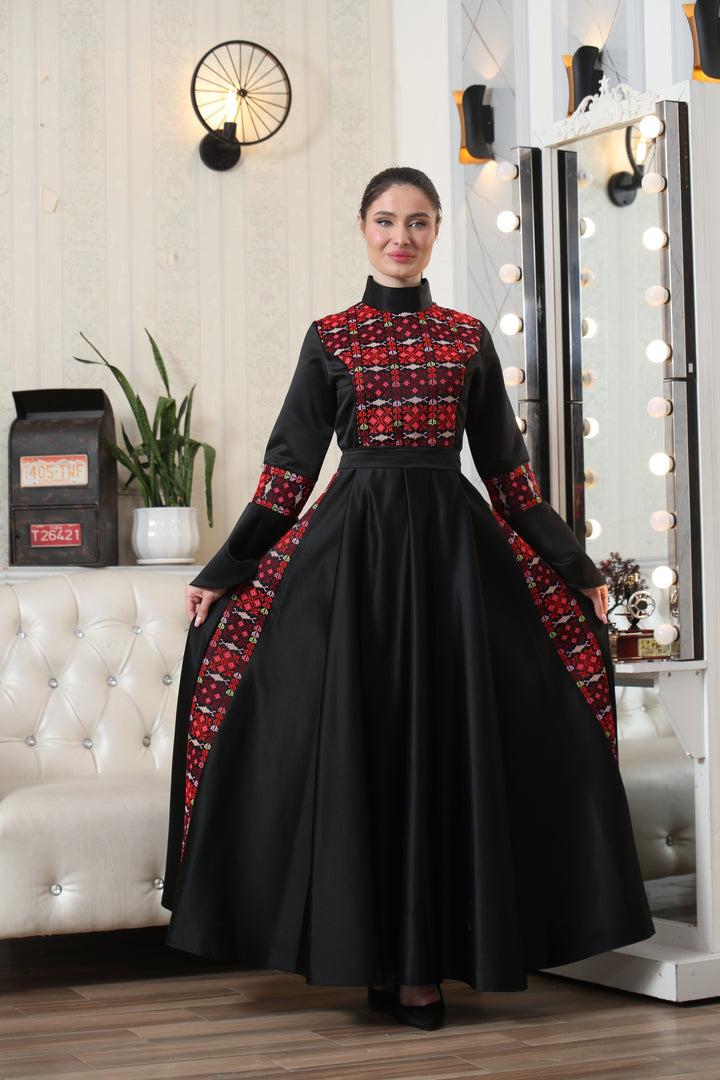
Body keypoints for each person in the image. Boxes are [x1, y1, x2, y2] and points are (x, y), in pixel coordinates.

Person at [162, 166, 653, 1031]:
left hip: (453, 566)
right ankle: (373, 961)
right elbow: (288, 474)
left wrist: (577, 568)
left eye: (419, 222)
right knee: (366, 749)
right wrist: (223, 570)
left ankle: (423, 972)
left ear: (434, 233)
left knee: (442, 752)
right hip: (349, 564)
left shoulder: (466, 337)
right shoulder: (330, 337)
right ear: (363, 228)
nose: (402, 237)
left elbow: (508, 475)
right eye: (387, 221)